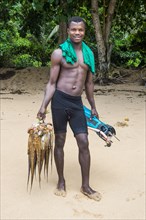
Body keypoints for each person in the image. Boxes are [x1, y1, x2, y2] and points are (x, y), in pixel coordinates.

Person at [37, 16, 101, 201]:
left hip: (77, 103)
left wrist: (93, 106)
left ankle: (86, 186)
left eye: (80, 30)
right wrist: (43, 106)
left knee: (84, 142)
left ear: (84, 31)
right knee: (60, 142)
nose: (77, 33)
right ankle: (61, 181)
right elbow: (51, 83)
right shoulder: (59, 53)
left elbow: (89, 83)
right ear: (68, 31)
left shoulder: (88, 54)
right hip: (60, 101)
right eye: (74, 30)